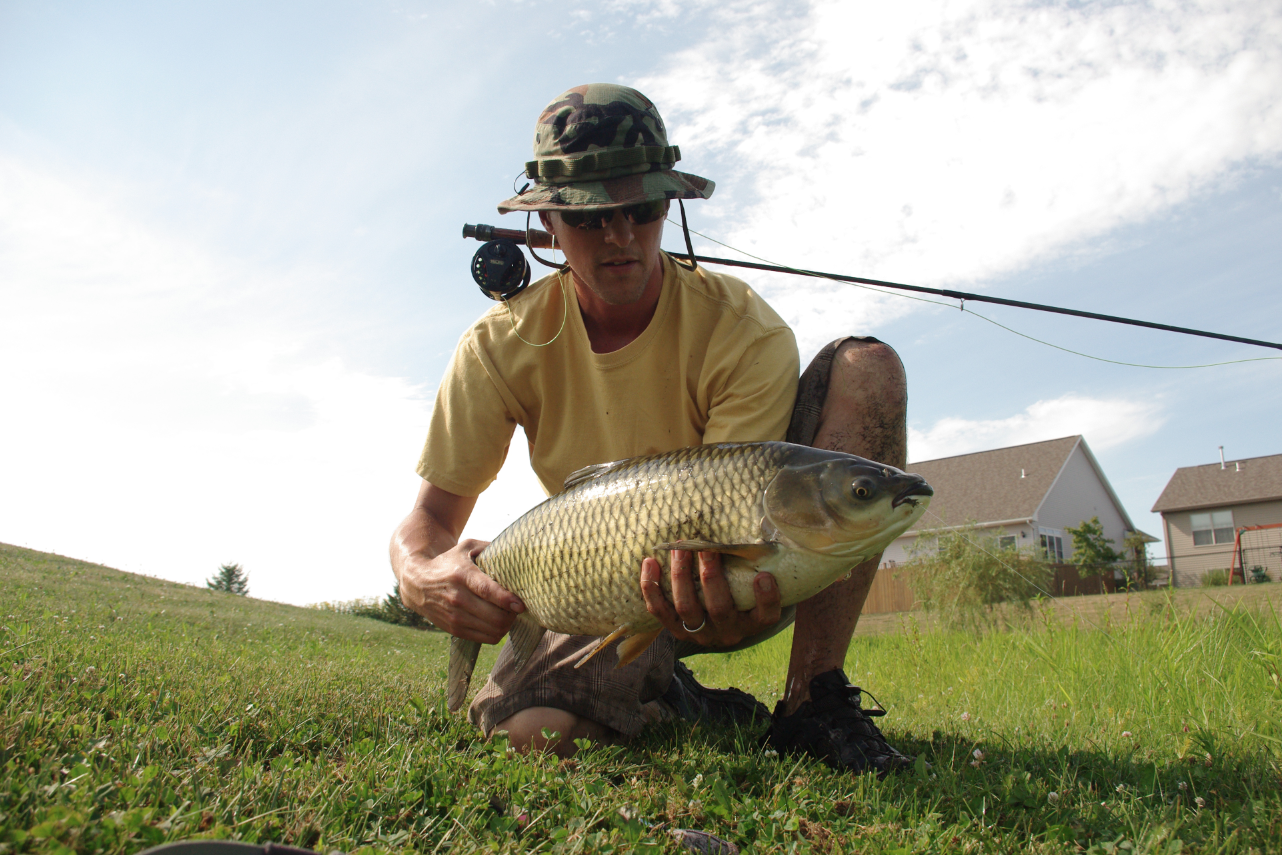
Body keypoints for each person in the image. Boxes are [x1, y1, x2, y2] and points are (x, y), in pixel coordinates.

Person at [389, 84, 912, 775]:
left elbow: (735, 515)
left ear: (668, 203)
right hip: (586, 581)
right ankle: (676, 697)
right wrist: (417, 571)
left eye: (642, 210)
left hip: (750, 563)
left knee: (867, 370)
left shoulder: (742, 329)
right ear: (546, 220)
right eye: (590, 218)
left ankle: (812, 700)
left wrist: (725, 574)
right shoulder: (496, 346)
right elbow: (430, 518)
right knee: (535, 736)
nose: (622, 237)